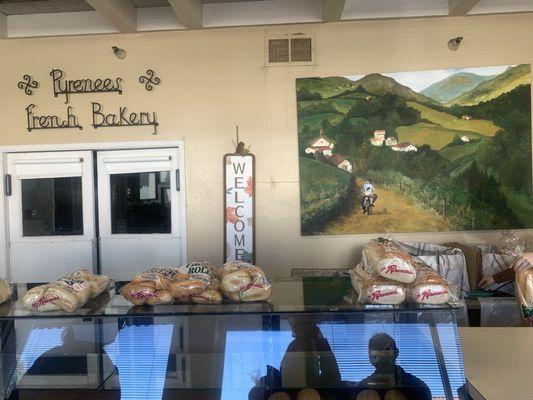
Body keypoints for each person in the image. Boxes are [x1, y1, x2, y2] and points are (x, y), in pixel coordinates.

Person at [357, 333, 431, 400]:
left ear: (396, 353)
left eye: (386, 349)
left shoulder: (417, 387)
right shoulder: (362, 387)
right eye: (375, 352)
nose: (381, 354)